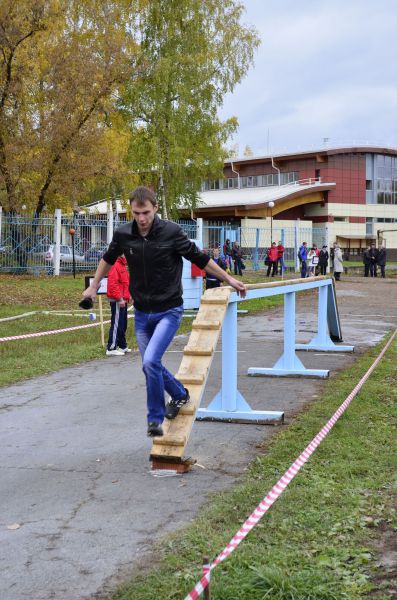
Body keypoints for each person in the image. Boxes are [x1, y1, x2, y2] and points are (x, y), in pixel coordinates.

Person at [82, 186, 246, 438]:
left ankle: (157, 415)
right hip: (143, 314)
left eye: (146, 212)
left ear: (155, 208)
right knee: (150, 366)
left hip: (169, 310)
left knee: (149, 362)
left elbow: (199, 258)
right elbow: (108, 257)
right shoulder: (124, 234)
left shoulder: (171, 232)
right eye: (136, 213)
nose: (142, 218)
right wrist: (93, 286)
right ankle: (179, 395)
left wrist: (228, 278)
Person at [106, 255, 131, 356]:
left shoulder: (123, 265)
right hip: (117, 300)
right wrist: (119, 298)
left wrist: (128, 297)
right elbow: (113, 284)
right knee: (116, 324)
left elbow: (125, 283)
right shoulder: (115, 265)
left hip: (123, 299)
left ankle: (122, 345)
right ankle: (111, 348)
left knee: (122, 323)